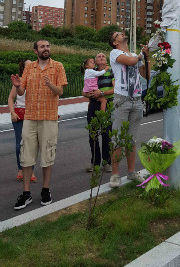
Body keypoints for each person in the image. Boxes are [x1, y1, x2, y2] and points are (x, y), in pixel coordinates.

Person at [11, 40, 68, 210]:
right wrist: (18, 86)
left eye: (48, 46)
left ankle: (45, 190)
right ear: (36, 51)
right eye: (42, 47)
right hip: (30, 118)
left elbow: (60, 91)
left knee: (47, 155)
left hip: (49, 117)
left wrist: (50, 84)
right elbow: (22, 92)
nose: (46, 49)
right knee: (26, 156)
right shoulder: (29, 68)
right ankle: (26, 193)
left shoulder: (58, 66)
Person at [108, 31, 150, 188]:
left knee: (131, 140)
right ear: (115, 42)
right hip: (122, 100)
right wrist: (140, 56)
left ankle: (131, 172)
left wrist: (146, 56)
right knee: (117, 139)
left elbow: (146, 74)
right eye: (118, 34)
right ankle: (115, 175)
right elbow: (131, 61)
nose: (122, 33)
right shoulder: (115, 53)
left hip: (137, 100)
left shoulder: (134, 55)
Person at [82, 52, 114, 173]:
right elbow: (83, 91)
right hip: (93, 104)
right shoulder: (91, 71)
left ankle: (107, 163)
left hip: (107, 104)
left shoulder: (111, 71)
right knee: (93, 135)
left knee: (106, 135)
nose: (101, 57)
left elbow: (115, 88)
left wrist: (101, 93)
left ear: (106, 61)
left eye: (103, 56)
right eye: (98, 56)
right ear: (95, 61)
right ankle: (95, 162)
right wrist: (91, 95)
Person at [8, 59, 37, 183]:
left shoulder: (36, 80)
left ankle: (30, 171)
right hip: (19, 115)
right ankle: (20, 169)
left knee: (32, 144)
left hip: (32, 115)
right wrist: (12, 112)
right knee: (19, 143)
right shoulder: (19, 81)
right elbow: (11, 98)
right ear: (24, 68)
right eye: (28, 65)